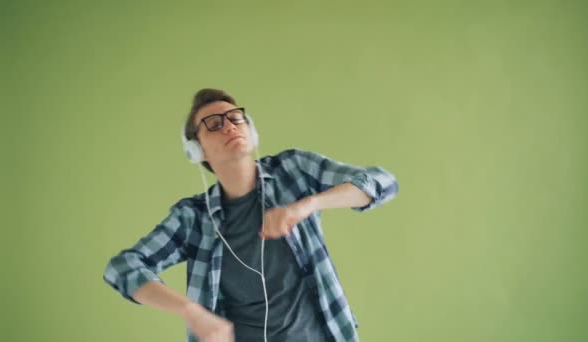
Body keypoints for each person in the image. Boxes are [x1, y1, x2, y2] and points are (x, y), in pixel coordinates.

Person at [103, 88, 399, 342]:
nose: (230, 126)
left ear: (251, 130)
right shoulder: (193, 218)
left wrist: (306, 205)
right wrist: (192, 312)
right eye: (214, 124)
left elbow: (380, 182)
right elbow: (123, 268)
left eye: (235, 118)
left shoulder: (292, 171)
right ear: (197, 150)